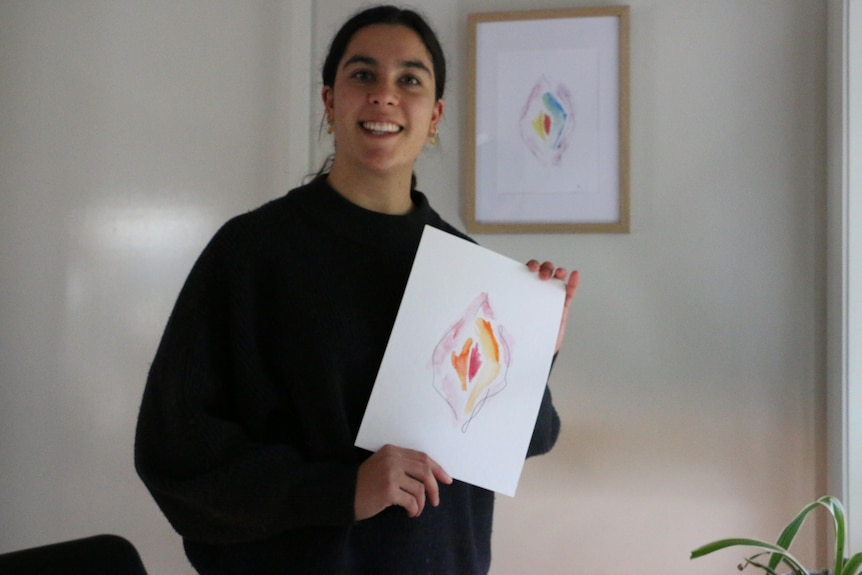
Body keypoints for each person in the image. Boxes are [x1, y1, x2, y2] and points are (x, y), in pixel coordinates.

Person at [134, 5, 579, 575]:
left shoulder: (472, 272)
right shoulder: (251, 254)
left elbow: (528, 440)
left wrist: (538, 348)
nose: (385, 95)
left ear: (435, 114)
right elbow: (175, 451)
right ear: (330, 101)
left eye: (409, 80)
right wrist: (342, 490)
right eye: (363, 74)